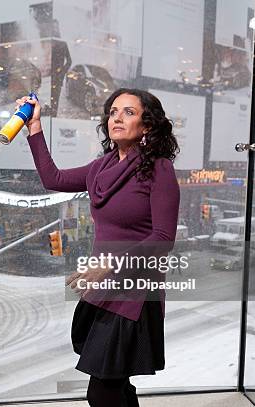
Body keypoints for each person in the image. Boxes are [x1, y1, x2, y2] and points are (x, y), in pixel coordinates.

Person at [20, 88, 180, 406]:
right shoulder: (100, 168)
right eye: (113, 111)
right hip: (103, 288)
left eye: (129, 112)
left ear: (147, 125)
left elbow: (163, 239)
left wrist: (109, 265)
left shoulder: (159, 169)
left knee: (103, 391)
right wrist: (34, 128)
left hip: (134, 292)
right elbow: (53, 179)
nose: (117, 117)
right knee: (117, 385)